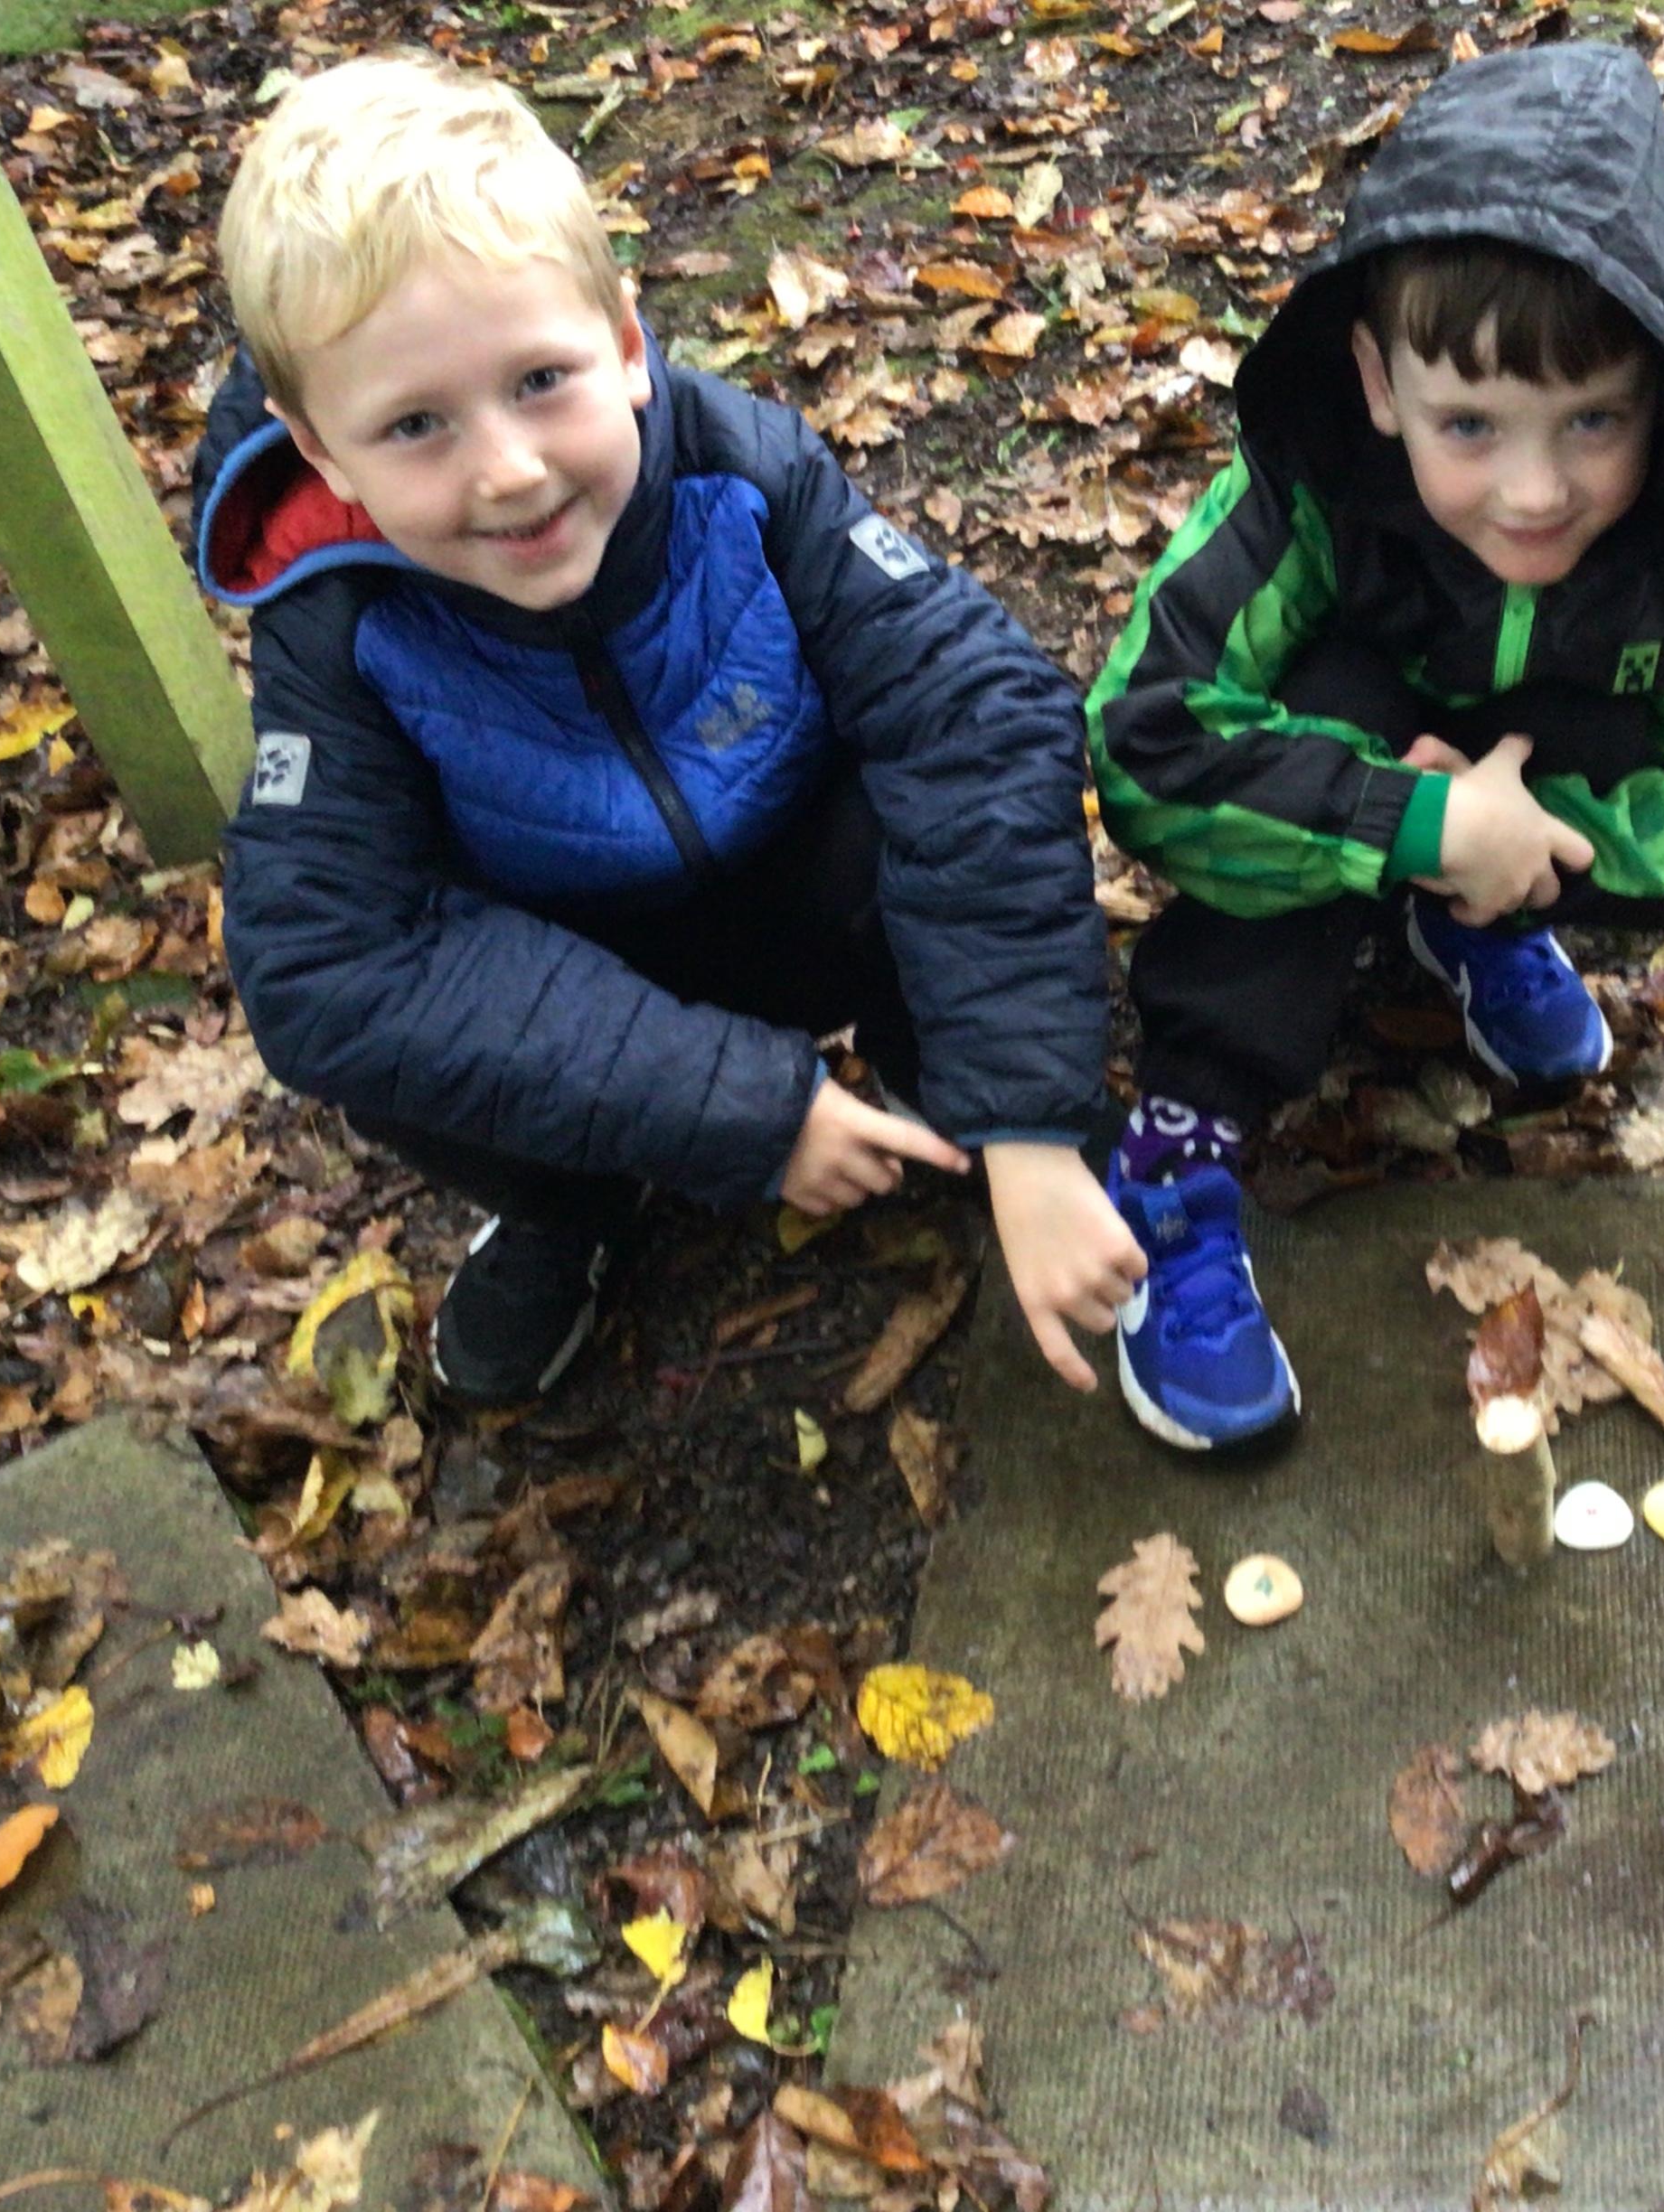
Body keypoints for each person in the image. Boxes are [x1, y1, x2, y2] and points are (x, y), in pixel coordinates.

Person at [198, 53, 1144, 1409]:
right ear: (323, 451)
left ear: (628, 343)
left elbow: (977, 709)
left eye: (540, 379)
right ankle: (569, 1207)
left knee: (935, 774)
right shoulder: (338, 620)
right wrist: (752, 1111)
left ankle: (959, 1095)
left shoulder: (743, 469)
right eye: (415, 425)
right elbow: (321, 961)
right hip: (581, 969)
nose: (510, 469)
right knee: (396, 1047)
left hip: (794, 886)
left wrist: (1031, 1118)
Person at [1086, 43, 1664, 1453]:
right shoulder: (1309, 485)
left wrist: (1513, 848)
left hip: (1524, 803)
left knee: (1593, 712)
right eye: (1469, 424)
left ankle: (1476, 923)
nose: (1534, 491)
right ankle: (1176, 1156)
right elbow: (1147, 737)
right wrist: (1416, 824)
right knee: (1332, 692)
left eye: (1592, 420)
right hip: (1344, 786)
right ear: (1377, 378)